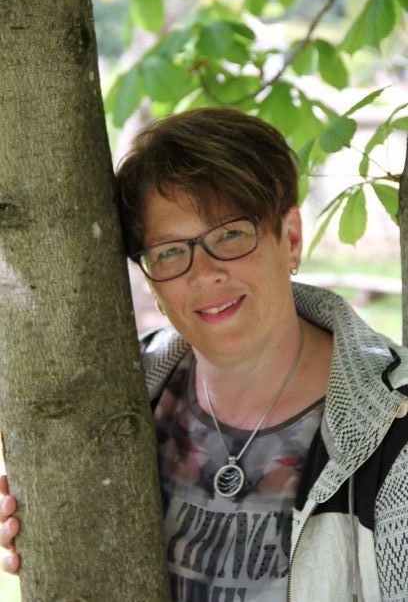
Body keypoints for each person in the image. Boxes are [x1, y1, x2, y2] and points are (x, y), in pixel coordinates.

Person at [1, 108, 407, 601]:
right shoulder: (119, 399)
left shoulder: (394, 427)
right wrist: (44, 532)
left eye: (230, 234)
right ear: (150, 278)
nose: (204, 273)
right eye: (170, 251)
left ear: (291, 238)